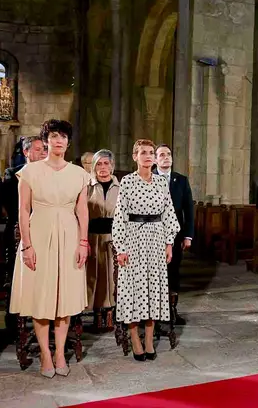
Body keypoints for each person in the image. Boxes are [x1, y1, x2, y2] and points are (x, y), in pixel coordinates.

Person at [10, 119, 90, 378]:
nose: (59, 140)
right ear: (46, 141)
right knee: (41, 296)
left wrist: (83, 242)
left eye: (63, 136)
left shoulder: (79, 174)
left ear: (68, 142)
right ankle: (45, 353)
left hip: (69, 236)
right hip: (39, 235)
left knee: (64, 296)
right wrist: (27, 246)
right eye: (54, 136)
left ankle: (60, 353)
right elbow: (23, 210)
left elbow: (82, 210)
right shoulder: (30, 172)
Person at [112, 139, 180, 362]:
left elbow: (168, 212)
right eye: (143, 152)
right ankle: (135, 338)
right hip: (133, 239)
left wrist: (169, 243)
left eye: (151, 152)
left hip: (156, 239)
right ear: (135, 156)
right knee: (133, 290)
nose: (148, 156)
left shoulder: (161, 182)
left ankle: (149, 340)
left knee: (153, 290)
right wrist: (121, 248)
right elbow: (120, 216)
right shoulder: (127, 182)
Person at [2, 136, 46, 332]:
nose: (43, 153)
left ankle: (44, 321)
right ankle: (14, 324)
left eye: (44, 149)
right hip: (17, 232)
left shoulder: (50, 174)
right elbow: (12, 205)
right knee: (16, 278)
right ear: (26, 152)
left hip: (44, 230)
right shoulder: (13, 175)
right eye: (37, 149)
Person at [154, 144, 194, 326]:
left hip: (176, 234)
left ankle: (172, 310)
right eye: (162, 155)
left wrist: (188, 236)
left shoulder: (181, 180)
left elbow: (189, 209)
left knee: (173, 271)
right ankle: (154, 311)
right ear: (155, 160)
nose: (166, 157)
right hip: (153, 232)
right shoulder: (148, 178)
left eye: (168, 154)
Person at [87, 149, 119, 332]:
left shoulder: (122, 187)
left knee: (111, 277)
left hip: (114, 238)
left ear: (112, 166)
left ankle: (110, 313)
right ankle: (96, 314)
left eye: (106, 163)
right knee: (93, 275)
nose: (103, 167)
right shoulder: (87, 186)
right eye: (99, 164)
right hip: (92, 236)